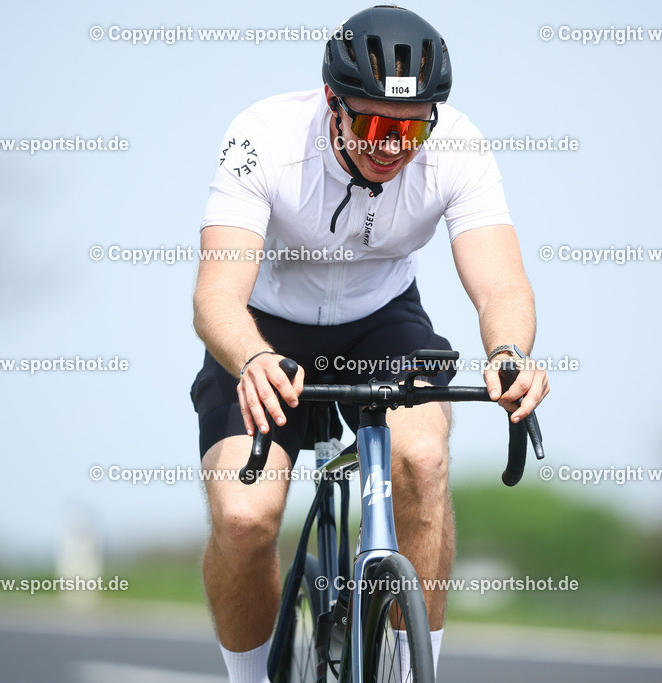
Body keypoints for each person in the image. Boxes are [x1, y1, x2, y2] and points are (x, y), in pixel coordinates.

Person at [190, 5, 548, 681]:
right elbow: (215, 297)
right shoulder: (263, 136)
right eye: (375, 126)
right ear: (334, 104)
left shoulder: (458, 147)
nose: (393, 146)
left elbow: (502, 284)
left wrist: (508, 353)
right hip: (265, 332)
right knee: (243, 518)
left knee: (423, 462)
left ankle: (412, 671)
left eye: (412, 129)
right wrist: (253, 357)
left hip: (382, 323)